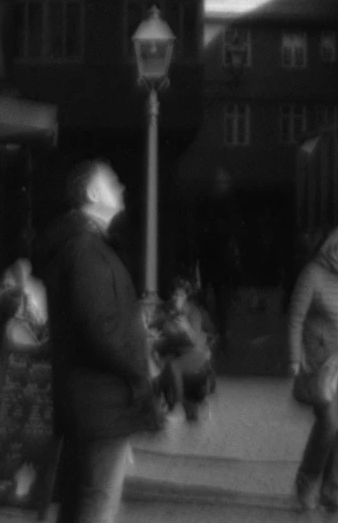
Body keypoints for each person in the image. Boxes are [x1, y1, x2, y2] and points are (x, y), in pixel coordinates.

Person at [38, 160, 155, 523]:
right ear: (91, 194)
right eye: (112, 182)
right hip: (102, 402)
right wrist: (140, 363)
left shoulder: (84, 245)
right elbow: (99, 327)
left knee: (83, 501)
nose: (121, 188)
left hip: (91, 401)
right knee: (97, 502)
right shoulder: (86, 249)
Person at [287, 224, 338, 514]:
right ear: (331, 248)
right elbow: (296, 318)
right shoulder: (313, 273)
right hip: (319, 363)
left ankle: (332, 491)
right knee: (330, 424)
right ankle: (307, 479)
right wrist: (295, 360)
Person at [153, 282, 214, 422]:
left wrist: (186, 328)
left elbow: (196, 341)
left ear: (186, 296)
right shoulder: (167, 311)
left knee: (173, 366)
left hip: (196, 353)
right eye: (174, 294)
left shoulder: (193, 312)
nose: (176, 297)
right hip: (174, 352)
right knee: (161, 365)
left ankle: (177, 407)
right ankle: (163, 404)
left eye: (180, 294)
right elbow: (155, 327)